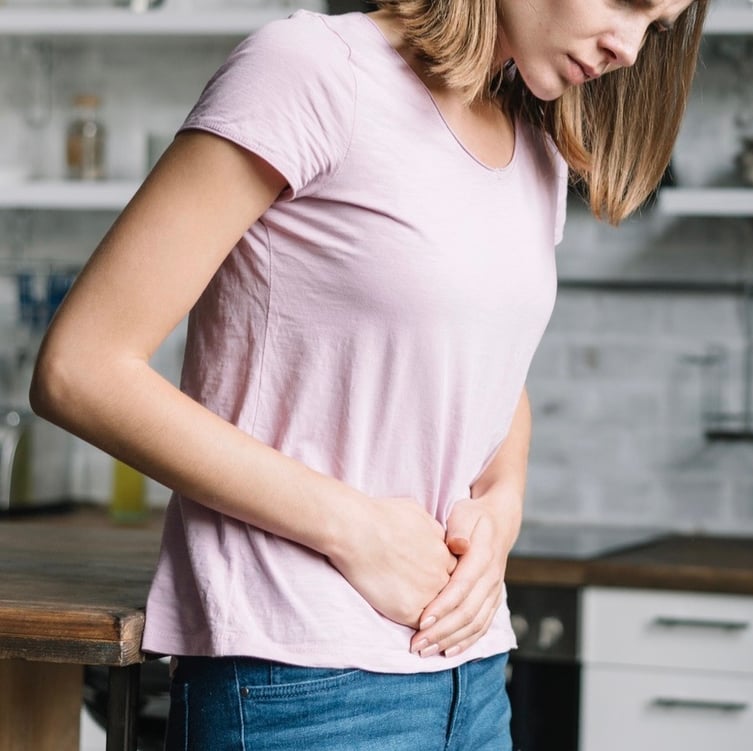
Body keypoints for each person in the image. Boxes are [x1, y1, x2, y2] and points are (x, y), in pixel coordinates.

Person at [30, 0, 709, 748]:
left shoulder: (540, 147)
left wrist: (503, 503)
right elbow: (81, 367)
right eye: (628, 4)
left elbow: (487, 372)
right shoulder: (313, 71)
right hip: (298, 682)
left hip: (474, 681)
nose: (629, 47)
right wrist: (355, 530)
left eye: (659, 26)